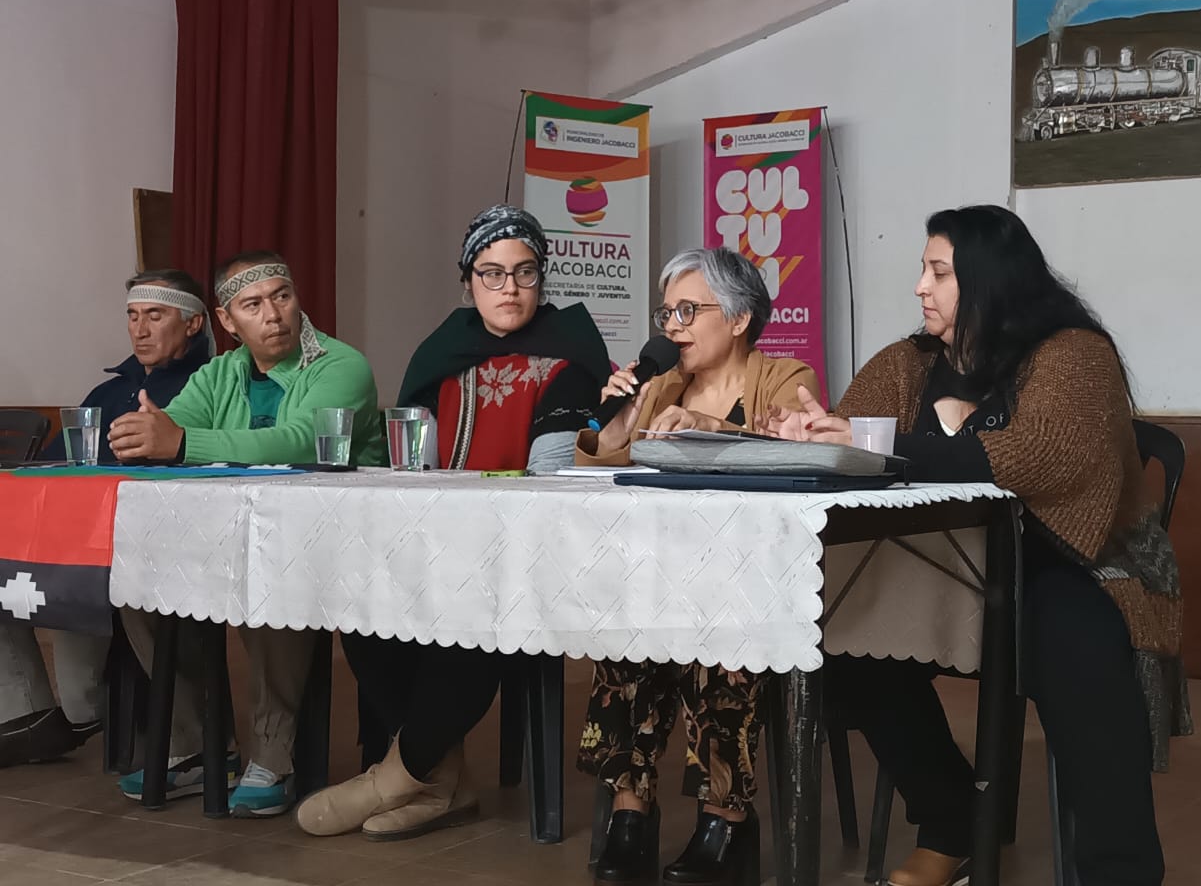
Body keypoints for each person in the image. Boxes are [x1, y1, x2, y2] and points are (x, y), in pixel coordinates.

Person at [767, 205, 1191, 886]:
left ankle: (1122, 868)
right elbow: (847, 434)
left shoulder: (1073, 352)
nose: (920, 287)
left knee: (1076, 644)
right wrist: (810, 430)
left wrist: (877, 441)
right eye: (923, 270)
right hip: (937, 562)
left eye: (938, 272)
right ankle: (953, 821)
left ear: (988, 281)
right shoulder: (910, 361)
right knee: (842, 629)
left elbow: (1044, 456)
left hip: (1065, 558)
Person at [295, 205, 610, 841]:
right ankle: (441, 780)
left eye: (524, 272)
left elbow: (550, 479)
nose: (510, 289)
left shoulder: (571, 353)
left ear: (543, 278)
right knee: (361, 605)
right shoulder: (441, 353)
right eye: (492, 274)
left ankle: (399, 775)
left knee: (473, 611)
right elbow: (413, 461)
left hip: (529, 550)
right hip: (438, 537)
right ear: (467, 282)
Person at [576, 248, 821, 886]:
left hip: (751, 580)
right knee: (624, 635)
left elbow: (795, 450)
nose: (673, 326)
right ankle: (631, 811)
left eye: (689, 310)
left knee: (720, 638)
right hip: (661, 574)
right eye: (668, 312)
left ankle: (725, 819)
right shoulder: (661, 386)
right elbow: (598, 460)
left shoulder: (783, 375)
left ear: (739, 319)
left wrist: (709, 426)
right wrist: (623, 411)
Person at [109, 251, 384, 818]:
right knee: (138, 584)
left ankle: (272, 757)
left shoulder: (340, 364)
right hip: (233, 533)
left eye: (282, 296)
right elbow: (174, 427)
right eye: (252, 305)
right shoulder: (219, 373)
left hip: (338, 543)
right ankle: (195, 747)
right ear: (227, 322)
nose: (274, 314)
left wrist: (183, 444)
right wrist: (144, 434)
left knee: (272, 582)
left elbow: (303, 441)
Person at [0, 270, 212, 768]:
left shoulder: (208, 387)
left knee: (69, 590)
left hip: (141, 546)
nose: (139, 330)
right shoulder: (107, 392)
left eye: (155, 316)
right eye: (133, 317)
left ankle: (81, 711)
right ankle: (29, 716)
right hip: (72, 536)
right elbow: (49, 468)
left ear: (194, 323)